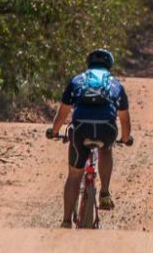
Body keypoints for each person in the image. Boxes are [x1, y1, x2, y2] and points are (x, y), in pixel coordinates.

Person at [47, 48, 132, 227]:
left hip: (81, 128)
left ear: (89, 64)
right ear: (109, 66)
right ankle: (105, 193)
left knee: (74, 174)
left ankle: (66, 221)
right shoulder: (115, 84)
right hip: (106, 129)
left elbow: (63, 113)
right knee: (106, 150)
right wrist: (125, 138)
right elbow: (124, 118)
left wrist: (54, 131)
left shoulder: (77, 80)